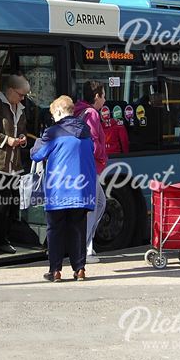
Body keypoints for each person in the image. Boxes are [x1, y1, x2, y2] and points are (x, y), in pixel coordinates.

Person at [31, 95, 97, 282]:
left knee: (55, 230)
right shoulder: (85, 131)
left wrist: (38, 140)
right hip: (82, 189)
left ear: (59, 111)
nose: (53, 118)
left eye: (53, 114)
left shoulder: (53, 132)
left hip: (59, 190)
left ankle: (56, 270)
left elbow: (36, 155)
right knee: (78, 229)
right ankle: (80, 269)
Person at [0, 74, 31, 254]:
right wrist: (6, 140)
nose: (23, 98)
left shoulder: (20, 107)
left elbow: (22, 130)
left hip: (13, 165)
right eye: (20, 94)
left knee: (10, 202)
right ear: (10, 91)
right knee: (2, 203)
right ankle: (0, 240)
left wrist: (22, 139)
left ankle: (2, 236)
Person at [74, 81, 109, 263]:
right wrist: (103, 155)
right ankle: (85, 250)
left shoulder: (79, 109)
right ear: (97, 96)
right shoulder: (92, 113)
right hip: (91, 166)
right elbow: (94, 142)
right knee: (93, 207)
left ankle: (88, 245)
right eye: (103, 95)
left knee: (101, 203)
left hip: (85, 165)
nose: (105, 99)